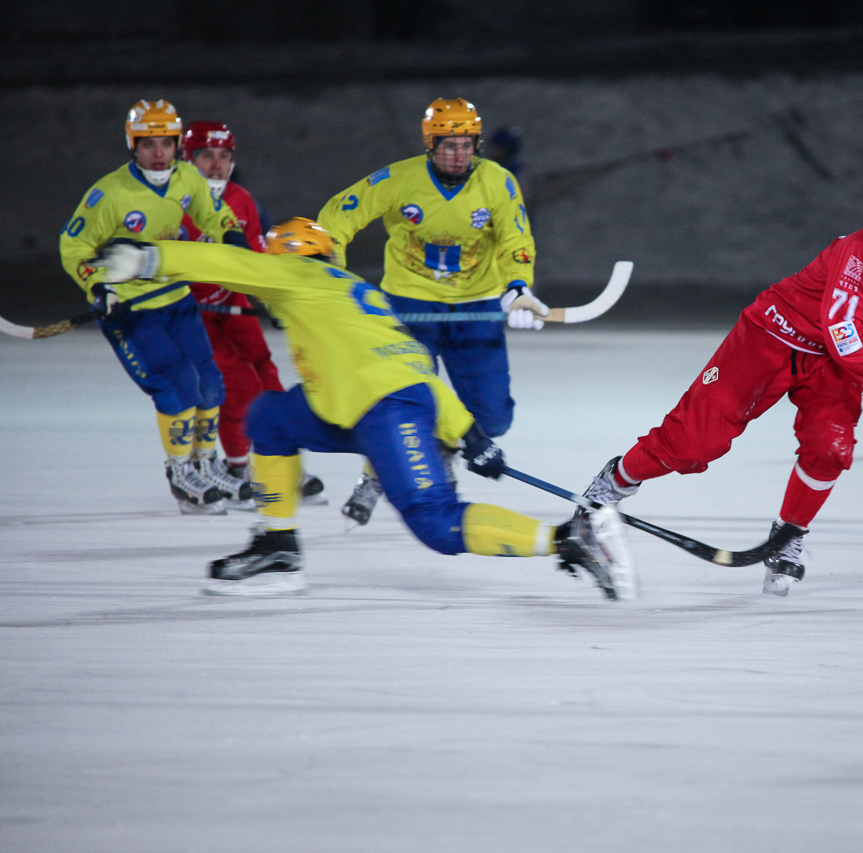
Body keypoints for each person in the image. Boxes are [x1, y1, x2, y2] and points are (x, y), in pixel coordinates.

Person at [88, 219, 635, 601]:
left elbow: (230, 263)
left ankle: (564, 539)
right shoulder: (351, 291)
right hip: (368, 403)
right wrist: (470, 436)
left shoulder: (299, 276)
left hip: (386, 412)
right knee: (270, 418)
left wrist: (148, 258)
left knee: (437, 524)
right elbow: (416, 368)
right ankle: (278, 545)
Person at [577, 169, 863, 596]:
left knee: (830, 451)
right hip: (772, 337)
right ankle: (611, 485)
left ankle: (788, 536)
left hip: (833, 363)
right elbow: (845, 334)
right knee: (695, 445)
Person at [318, 98, 542, 528]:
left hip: (475, 306)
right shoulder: (399, 179)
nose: (458, 155)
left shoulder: (498, 182)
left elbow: (517, 239)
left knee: (494, 418)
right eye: (448, 145)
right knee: (404, 396)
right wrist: (328, 272)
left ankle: (440, 448)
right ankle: (379, 474)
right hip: (409, 304)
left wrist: (517, 288)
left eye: (466, 145)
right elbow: (338, 216)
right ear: (429, 145)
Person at [59, 99, 249, 513]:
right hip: (130, 310)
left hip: (175, 299)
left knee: (210, 383)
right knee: (176, 385)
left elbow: (213, 213)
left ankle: (204, 462)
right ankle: (181, 473)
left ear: (178, 144)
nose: (159, 153)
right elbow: (73, 245)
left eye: (166, 143)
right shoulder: (109, 193)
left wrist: (231, 233)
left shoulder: (186, 178)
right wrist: (97, 287)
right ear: (133, 146)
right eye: (148, 144)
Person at [179, 120, 326, 508]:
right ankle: (239, 466)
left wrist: (279, 299)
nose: (216, 165)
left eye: (224, 156)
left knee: (267, 370)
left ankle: (279, 459)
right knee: (239, 384)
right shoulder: (172, 202)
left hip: (233, 305)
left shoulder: (241, 199)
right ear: (187, 159)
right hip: (195, 313)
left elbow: (259, 259)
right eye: (206, 156)